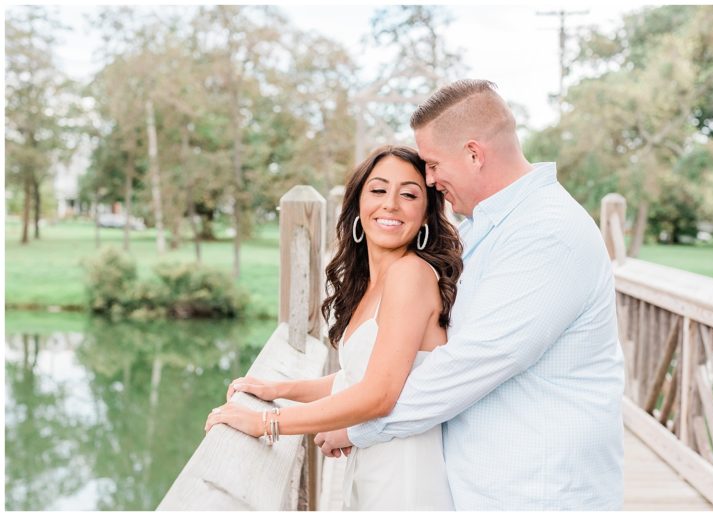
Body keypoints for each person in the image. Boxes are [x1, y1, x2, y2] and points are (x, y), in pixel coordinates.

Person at [314, 79, 626, 510]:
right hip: (479, 486)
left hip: (539, 490)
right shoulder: (481, 229)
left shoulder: (549, 232)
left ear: (475, 154)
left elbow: (474, 360)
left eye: (433, 164)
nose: (429, 179)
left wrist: (357, 427)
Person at [204, 145, 463, 510]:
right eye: (378, 190)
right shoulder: (373, 283)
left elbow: (379, 394)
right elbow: (357, 378)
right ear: (358, 205)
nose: (390, 203)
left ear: (425, 216)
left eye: (408, 194)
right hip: (372, 465)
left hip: (405, 478)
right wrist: (281, 388)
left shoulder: (411, 274)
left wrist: (267, 422)